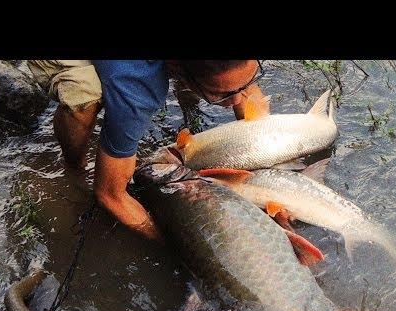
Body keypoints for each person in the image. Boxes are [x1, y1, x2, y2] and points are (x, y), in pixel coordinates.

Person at [27, 60, 267, 244]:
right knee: (84, 99)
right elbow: (110, 196)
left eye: (247, 83)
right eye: (222, 95)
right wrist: (175, 243)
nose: (239, 99)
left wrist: (265, 154)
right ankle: (73, 165)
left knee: (229, 76)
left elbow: (237, 78)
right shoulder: (139, 89)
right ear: (176, 68)